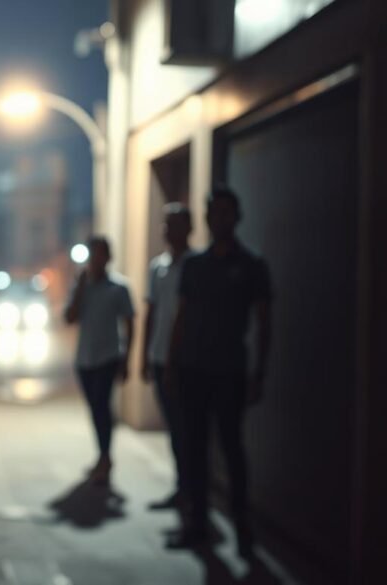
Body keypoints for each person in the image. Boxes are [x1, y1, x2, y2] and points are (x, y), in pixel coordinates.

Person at [164, 187, 272, 558]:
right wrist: (172, 364)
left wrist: (260, 373)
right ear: (207, 219)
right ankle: (197, 523)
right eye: (214, 213)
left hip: (229, 370)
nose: (220, 219)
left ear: (237, 217)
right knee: (194, 449)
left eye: (226, 212)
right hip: (193, 370)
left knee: (231, 448)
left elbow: (265, 322)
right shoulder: (195, 266)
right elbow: (181, 316)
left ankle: (242, 527)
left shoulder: (252, 265)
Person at [64, 236, 136, 486]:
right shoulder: (82, 286)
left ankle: (105, 457)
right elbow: (69, 318)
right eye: (92, 254)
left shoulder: (118, 288)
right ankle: (103, 456)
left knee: (102, 406)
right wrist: (80, 288)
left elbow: (129, 323)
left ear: (108, 257)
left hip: (108, 357)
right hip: (85, 358)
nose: (96, 260)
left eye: (100, 254)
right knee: (95, 409)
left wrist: (126, 359)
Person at [141, 203, 195, 511]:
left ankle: (191, 489)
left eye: (174, 224)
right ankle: (182, 487)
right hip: (160, 357)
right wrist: (145, 356)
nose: (168, 230)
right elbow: (151, 311)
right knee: (174, 426)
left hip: (187, 361)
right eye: (165, 224)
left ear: (188, 228)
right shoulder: (157, 267)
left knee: (187, 428)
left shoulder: (195, 266)